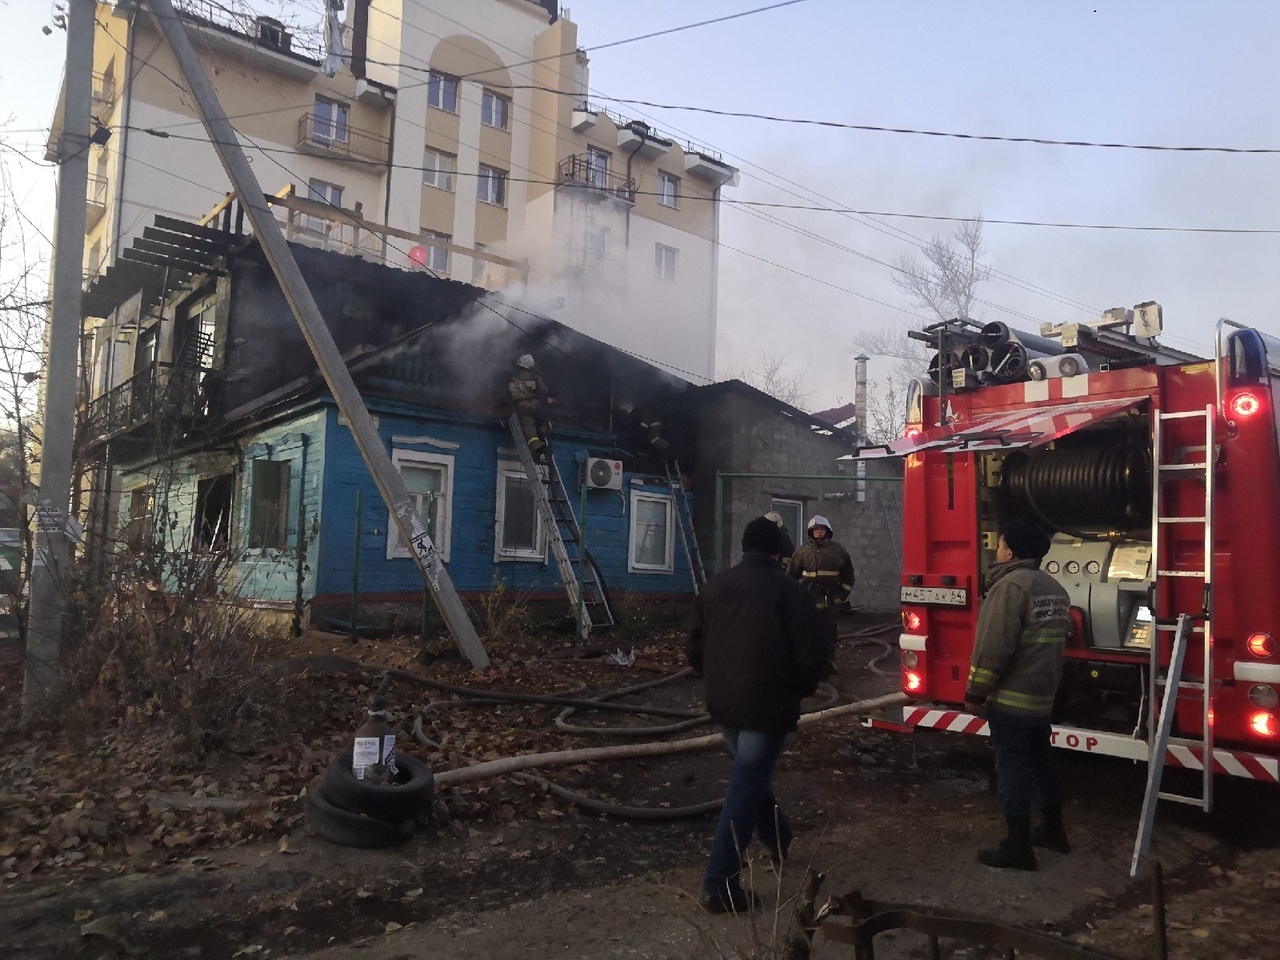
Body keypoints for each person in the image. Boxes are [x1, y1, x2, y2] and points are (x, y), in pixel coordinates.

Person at [686, 516, 828, 914]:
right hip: (767, 709)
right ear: (777, 551)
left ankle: (778, 839)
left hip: (723, 704)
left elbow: (693, 651)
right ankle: (720, 886)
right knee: (746, 784)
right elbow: (812, 654)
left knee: (751, 776)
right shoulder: (790, 592)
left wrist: (718, 679)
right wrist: (796, 690)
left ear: (745, 548)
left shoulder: (714, 587)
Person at [964, 517, 1072, 871]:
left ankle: (1018, 847)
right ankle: (1054, 832)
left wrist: (976, 691)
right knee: (1043, 763)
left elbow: (993, 647)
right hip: (1042, 699)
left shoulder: (1010, 588)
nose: (996, 549)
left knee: (1012, 770)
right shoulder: (1054, 588)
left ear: (1010, 550)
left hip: (1011, 701)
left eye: (1000, 544)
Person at [786, 515, 854, 674]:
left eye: (822, 529)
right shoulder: (802, 552)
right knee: (806, 636)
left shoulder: (838, 552)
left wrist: (839, 599)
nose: (819, 532)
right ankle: (806, 665)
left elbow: (848, 578)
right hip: (807, 604)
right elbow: (790, 579)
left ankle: (828, 665)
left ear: (827, 531)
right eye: (815, 529)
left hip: (829, 604)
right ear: (811, 532)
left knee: (829, 635)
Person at [508, 354, 554, 462]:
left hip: (522, 407)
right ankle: (543, 432)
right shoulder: (534, 376)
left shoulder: (515, 377)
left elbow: (509, 392)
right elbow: (543, 390)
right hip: (536, 405)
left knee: (528, 427)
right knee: (545, 421)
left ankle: (535, 447)